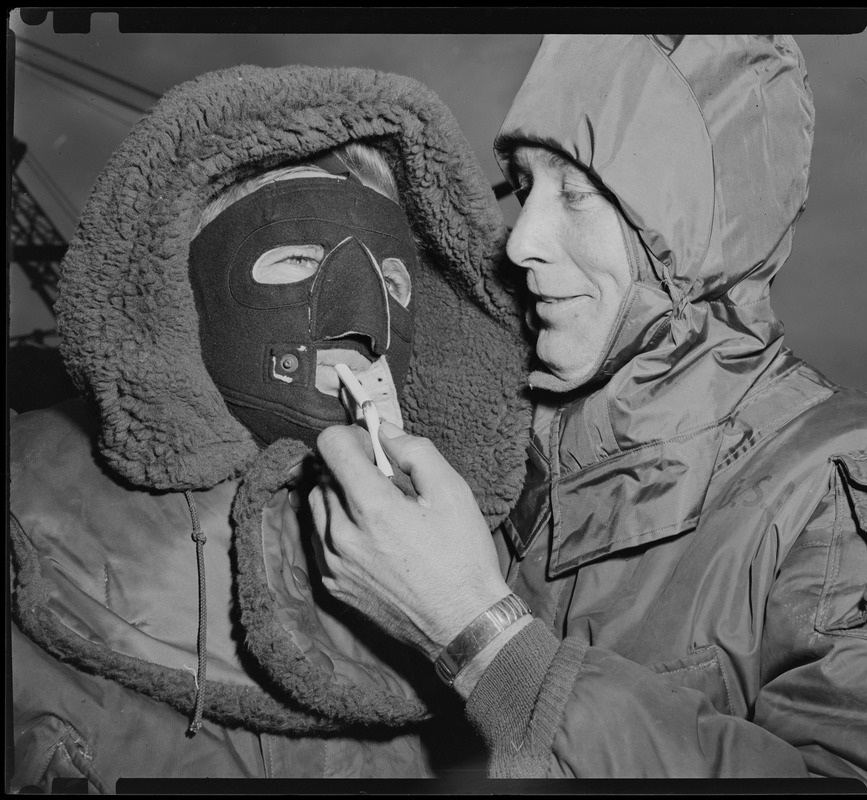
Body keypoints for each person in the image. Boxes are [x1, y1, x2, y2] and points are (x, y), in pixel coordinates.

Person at [309, 34, 867, 791]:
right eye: (523, 186)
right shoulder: (491, 447)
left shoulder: (851, 491)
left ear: (693, 233)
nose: (523, 240)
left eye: (576, 193)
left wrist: (482, 639)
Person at [8, 64, 533, 789]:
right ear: (185, 287)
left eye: (395, 283)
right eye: (295, 260)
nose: (365, 325)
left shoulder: (484, 553)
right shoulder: (24, 498)